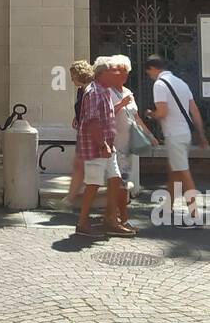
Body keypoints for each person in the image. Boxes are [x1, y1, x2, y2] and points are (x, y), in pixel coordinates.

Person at [75, 57, 134, 237]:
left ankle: (111, 220)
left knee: (115, 179)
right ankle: (82, 224)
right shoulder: (94, 91)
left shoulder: (104, 91)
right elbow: (92, 121)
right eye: (112, 72)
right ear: (103, 74)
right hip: (97, 147)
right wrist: (102, 144)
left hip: (108, 146)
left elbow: (106, 116)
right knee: (93, 184)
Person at [145, 55, 208, 219]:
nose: (150, 76)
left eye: (148, 73)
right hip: (184, 133)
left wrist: (151, 114)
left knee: (182, 172)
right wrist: (201, 135)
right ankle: (168, 207)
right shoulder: (181, 83)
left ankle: (195, 214)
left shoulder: (159, 84)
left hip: (173, 134)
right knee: (174, 170)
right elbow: (194, 111)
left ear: (152, 69)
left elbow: (162, 112)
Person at [107, 55, 158, 225]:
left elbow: (136, 117)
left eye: (125, 72)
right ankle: (119, 218)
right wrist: (121, 103)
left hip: (128, 147)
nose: (123, 75)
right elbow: (104, 115)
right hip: (114, 146)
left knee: (123, 183)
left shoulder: (128, 92)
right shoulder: (107, 92)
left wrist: (150, 135)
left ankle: (117, 217)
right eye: (118, 72)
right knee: (118, 183)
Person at [61, 60, 94, 209]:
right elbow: (82, 108)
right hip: (83, 132)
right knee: (79, 165)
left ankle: (71, 199)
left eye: (73, 76)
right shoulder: (81, 90)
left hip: (89, 135)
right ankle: (71, 197)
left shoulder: (92, 90)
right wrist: (77, 117)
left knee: (80, 165)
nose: (71, 79)